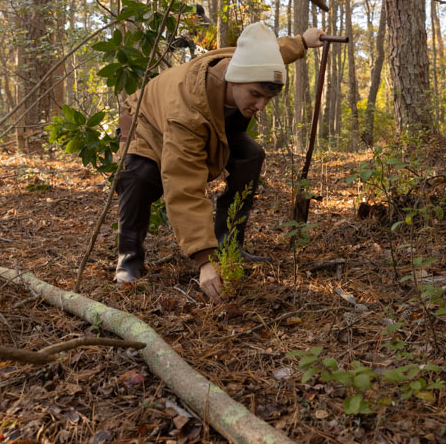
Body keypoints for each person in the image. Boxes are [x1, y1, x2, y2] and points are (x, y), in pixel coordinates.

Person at [114, 22, 325, 303]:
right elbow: (184, 188)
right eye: (255, 95)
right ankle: (128, 258)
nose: (261, 106)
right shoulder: (187, 111)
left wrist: (303, 41)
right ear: (235, 79)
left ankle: (229, 245)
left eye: (268, 97)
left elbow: (271, 51)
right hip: (146, 121)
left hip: (210, 123)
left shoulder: (242, 61)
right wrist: (204, 261)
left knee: (251, 154)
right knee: (141, 176)